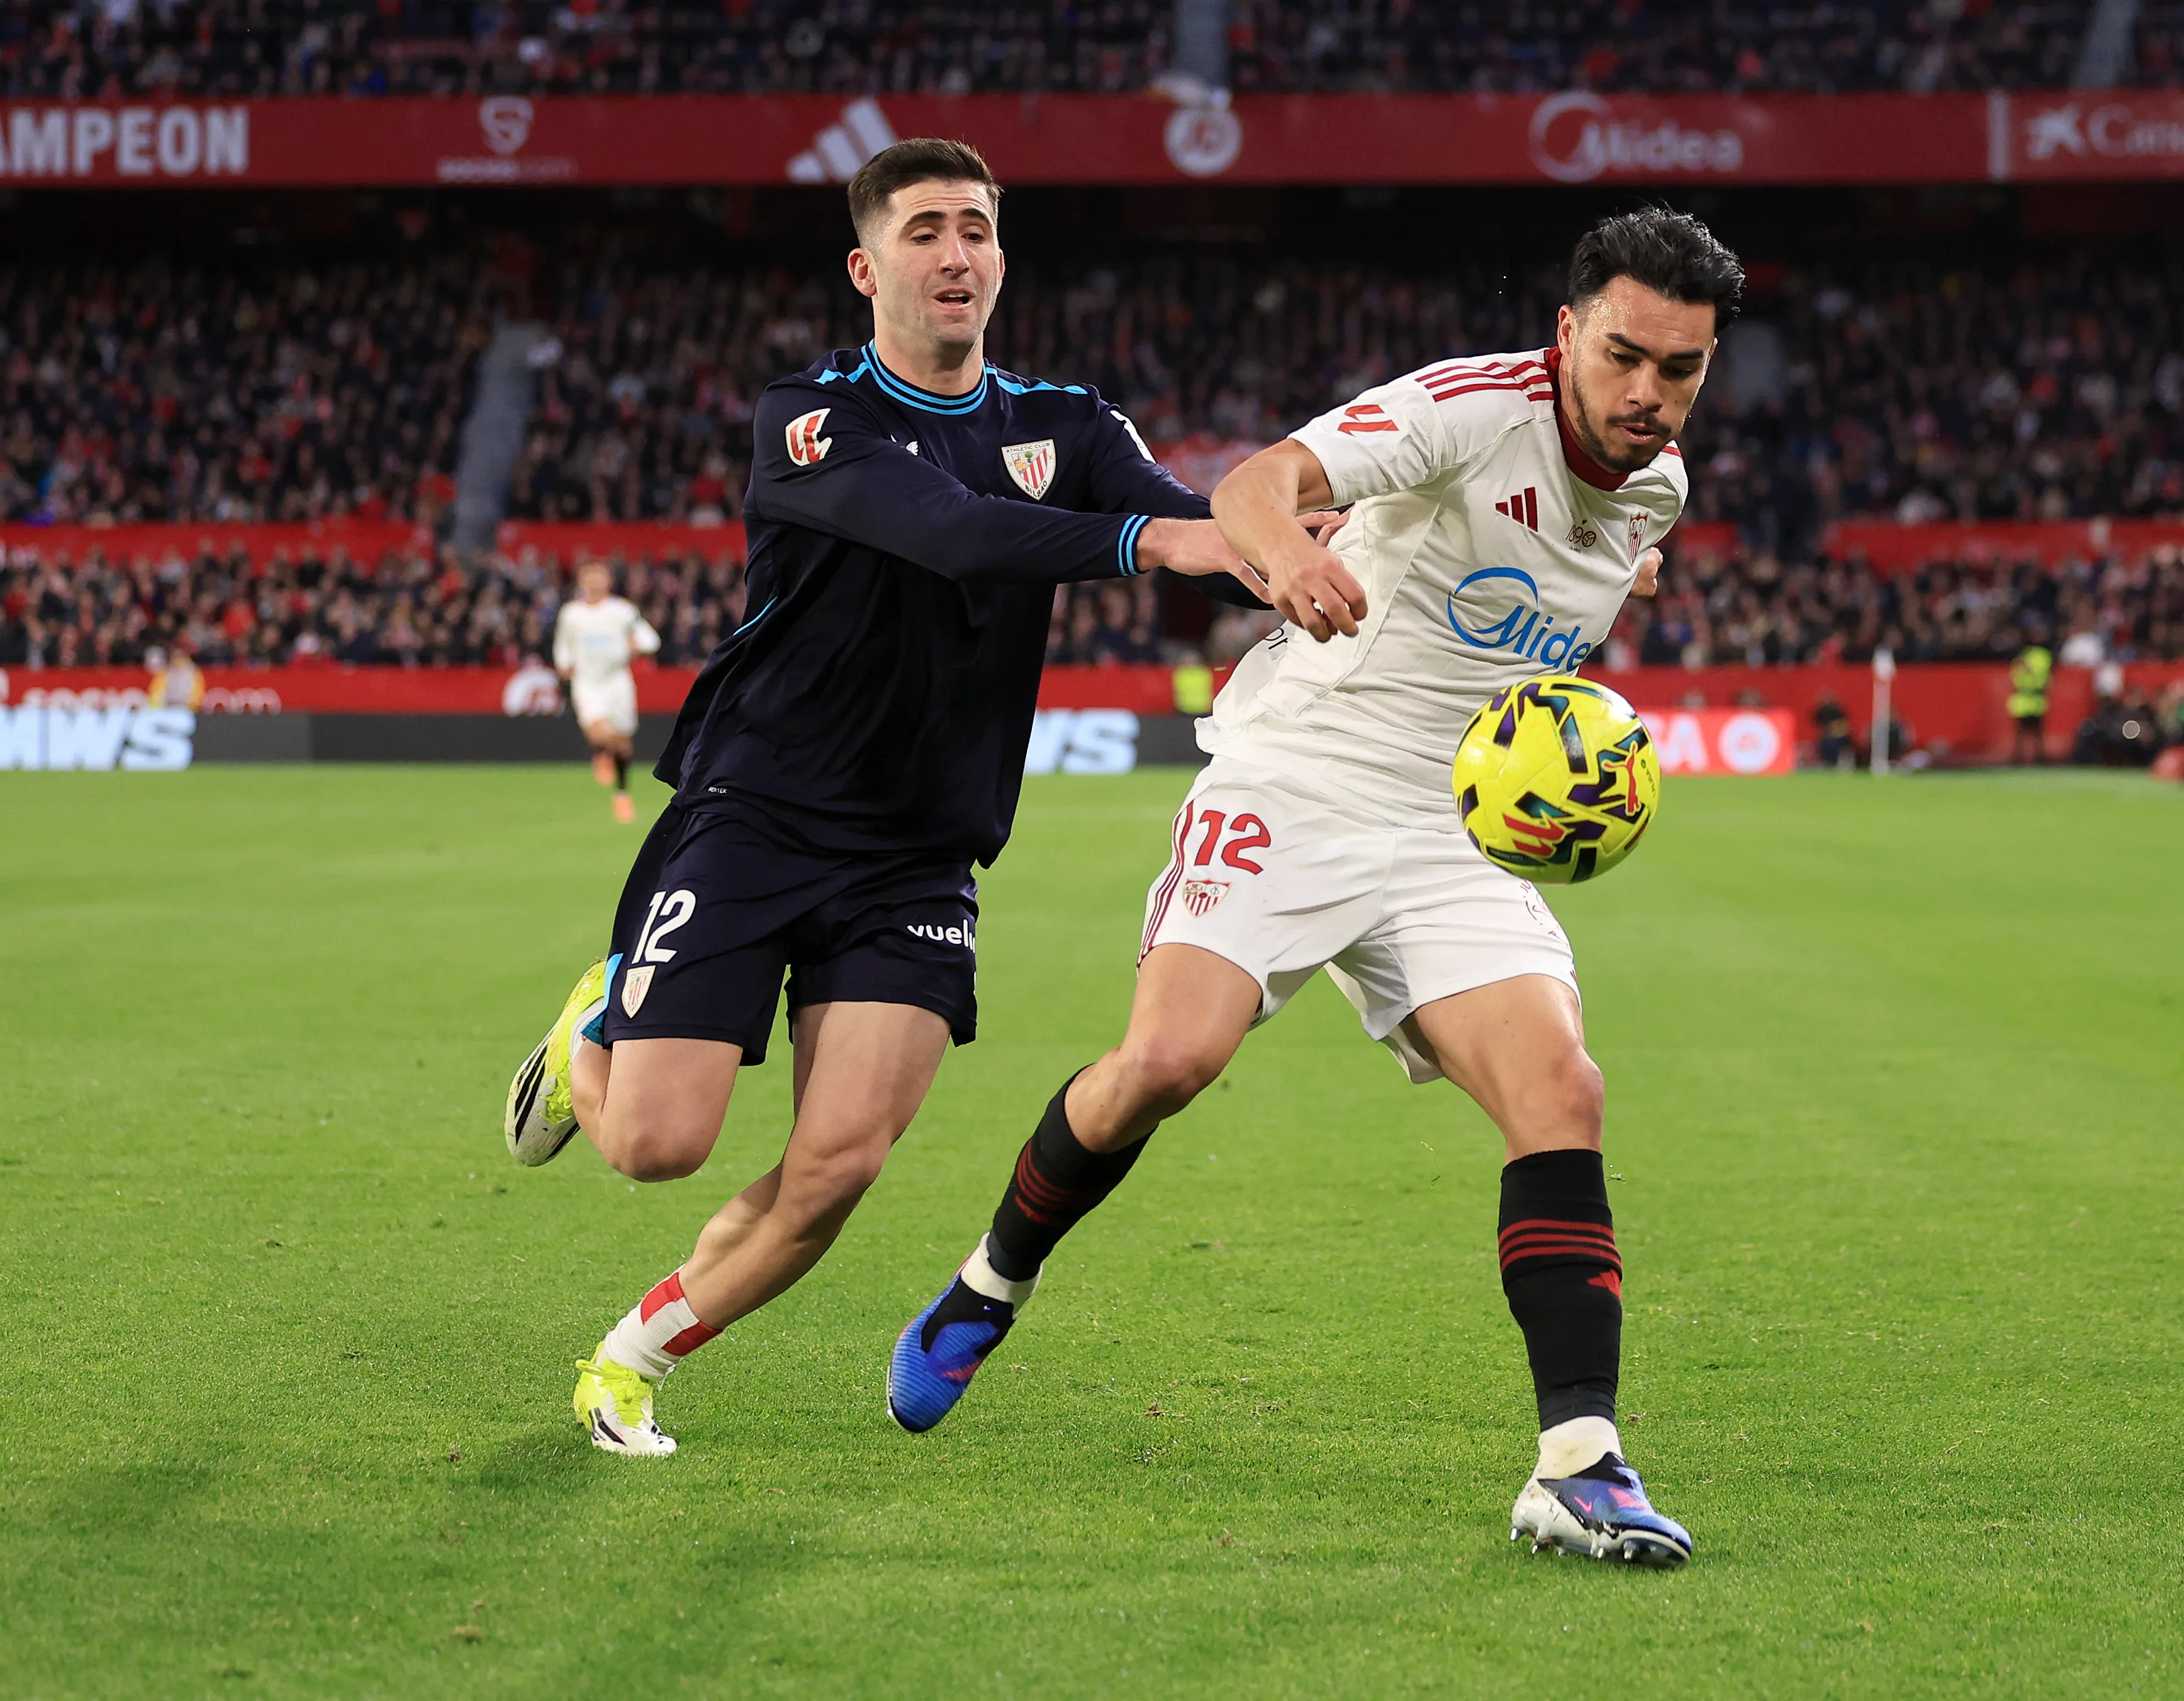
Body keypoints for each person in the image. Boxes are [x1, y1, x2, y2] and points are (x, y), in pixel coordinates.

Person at [885, 208, 1747, 1570]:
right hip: (1298, 775)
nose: (1648, 391)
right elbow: (1255, 484)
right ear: (1567, 332)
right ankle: (990, 1281)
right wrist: (1287, 554)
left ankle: (1579, 1463)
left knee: (1562, 1090)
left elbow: (1575, 575)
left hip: (1454, 827)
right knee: (1167, 1059)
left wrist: (1614, 599)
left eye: (1681, 368)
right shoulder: (1469, 409)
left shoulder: (1656, 485)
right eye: (1624, 355)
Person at [497, 138, 1269, 1458]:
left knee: (839, 1163)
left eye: (976, 227)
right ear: (865, 268)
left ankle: (628, 1360)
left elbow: (1203, 530)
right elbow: (958, 531)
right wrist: (1166, 538)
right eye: (924, 231)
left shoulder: (1070, 423)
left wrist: (1348, 545)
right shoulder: (810, 416)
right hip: (757, 812)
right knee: (656, 1144)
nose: (956, 253)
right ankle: (591, 1036)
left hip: (919, 850)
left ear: (1001, 256)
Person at [552, 559, 662, 823]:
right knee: (598, 732)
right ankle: (601, 752)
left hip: (617, 682)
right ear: (581, 582)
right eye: (589, 577)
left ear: (608, 581)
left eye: (599, 577)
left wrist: (638, 646)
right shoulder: (571, 614)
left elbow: (651, 640)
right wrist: (563, 664)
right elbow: (563, 644)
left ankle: (622, 794)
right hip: (588, 682)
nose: (594, 582)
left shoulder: (623, 611)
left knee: (623, 745)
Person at [2008, 631, 2052, 764]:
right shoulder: (2024, 655)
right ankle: (2019, 757)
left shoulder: (2042, 656)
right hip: (2024, 698)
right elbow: (2015, 675)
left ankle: (2038, 757)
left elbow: (2043, 677)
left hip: (2035, 698)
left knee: (2036, 731)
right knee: (2022, 731)